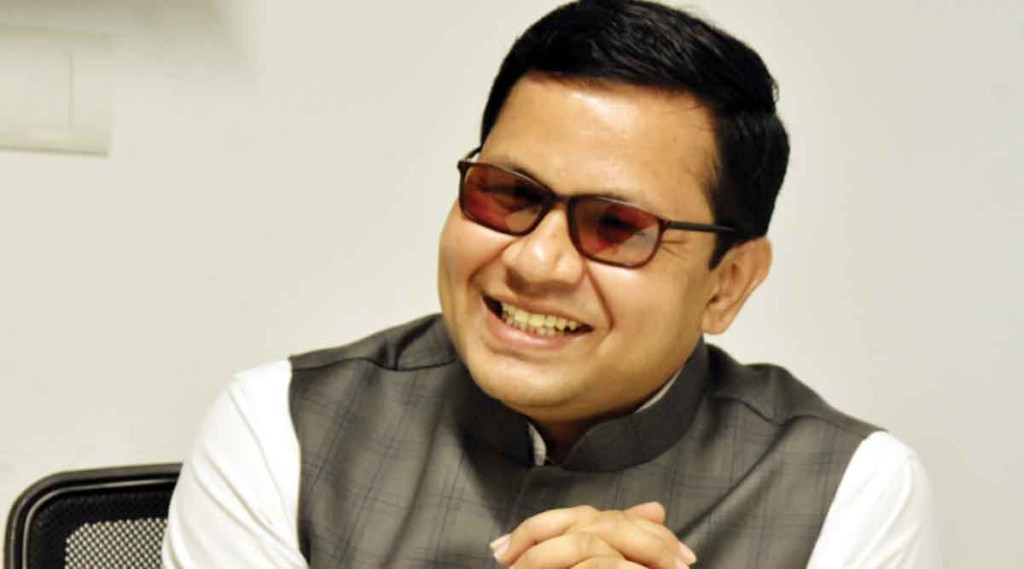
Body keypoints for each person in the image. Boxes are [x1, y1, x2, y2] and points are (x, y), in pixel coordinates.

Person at [162, 0, 941, 567]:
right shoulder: (284, 429)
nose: (536, 262)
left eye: (617, 226)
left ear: (726, 284)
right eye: (510, 193)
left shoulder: (849, 489)